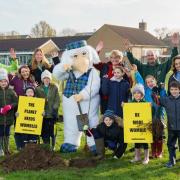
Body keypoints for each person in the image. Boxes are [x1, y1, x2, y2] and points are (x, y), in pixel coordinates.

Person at [94, 49, 132, 113]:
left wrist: (129, 76)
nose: (114, 59)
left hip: (119, 98)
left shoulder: (124, 68)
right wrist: (97, 51)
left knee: (119, 116)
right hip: (106, 97)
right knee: (107, 117)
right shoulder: (105, 66)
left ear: (120, 58)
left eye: (117, 57)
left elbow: (129, 85)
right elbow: (94, 63)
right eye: (112, 57)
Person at [10, 65, 36, 150]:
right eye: (23, 71)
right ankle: (19, 146)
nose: (25, 73)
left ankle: (29, 146)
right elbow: (9, 87)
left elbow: (34, 92)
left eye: (27, 71)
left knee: (28, 126)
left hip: (29, 108)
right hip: (18, 107)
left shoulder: (32, 80)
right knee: (18, 126)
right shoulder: (16, 79)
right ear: (20, 73)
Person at [36, 70, 60, 150]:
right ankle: (46, 145)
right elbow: (36, 100)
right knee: (44, 130)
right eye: (45, 78)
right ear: (42, 79)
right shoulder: (38, 89)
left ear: (50, 79)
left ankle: (53, 146)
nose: (46, 80)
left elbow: (57, 99)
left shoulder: (54, 87)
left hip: (52, 113)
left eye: (48, 78)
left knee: (52, 131)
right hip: (43, 114)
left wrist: (55, 108)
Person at [160, 81, 180, 168]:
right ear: (169, 90)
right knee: (171, 145)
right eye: (172, 89)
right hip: (171, 127)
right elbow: (156, 99)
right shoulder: (166, 100)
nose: (174, 91)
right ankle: (172, 161)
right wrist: (158, 89)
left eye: (176, 89)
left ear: (179, 90)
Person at [130, 84, 149, 164]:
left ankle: (146, 157)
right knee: (136, 141)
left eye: (139, 93)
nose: (137, 95)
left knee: (145, 141)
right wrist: (124, 106)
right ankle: (137, 157)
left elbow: (149, 114)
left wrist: (150, 107)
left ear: (142, 95)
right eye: (135, 93)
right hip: (135, 125)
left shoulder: (145, 103)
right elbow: (128, 113)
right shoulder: (131, 103)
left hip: (143, 126)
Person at [0, 68, 18, 156]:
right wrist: (0, 109)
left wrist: (10, 106)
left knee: (7, 133)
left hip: (9, 117)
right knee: (0, 133)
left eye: (5, 81)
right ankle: (1, 149)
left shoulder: (11, 91)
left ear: (7, 82)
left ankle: (6, 148)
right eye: (1, 81)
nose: (3, 83)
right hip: (0, 118)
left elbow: (16, 101)